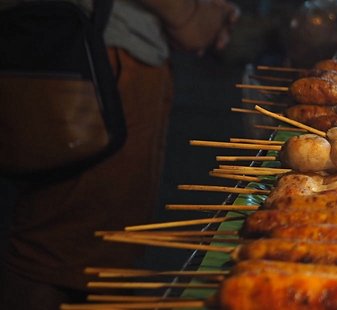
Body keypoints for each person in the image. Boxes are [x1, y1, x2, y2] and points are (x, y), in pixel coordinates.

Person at [0, 1, 238, 309]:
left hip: (88, 48)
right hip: (97, 62)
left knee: (91, 258)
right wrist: (190, 16)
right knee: (59, 260)